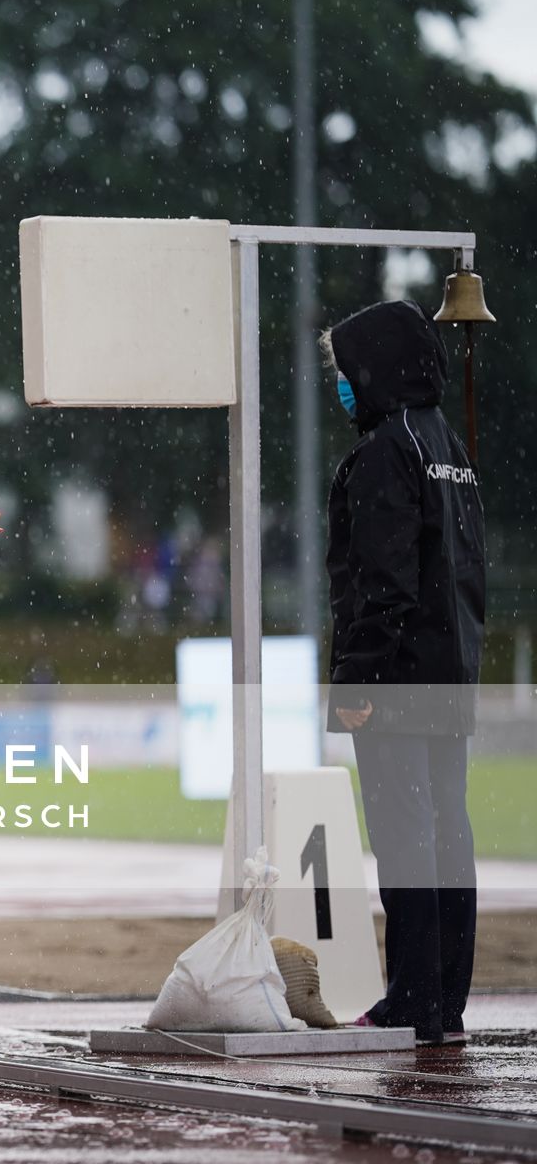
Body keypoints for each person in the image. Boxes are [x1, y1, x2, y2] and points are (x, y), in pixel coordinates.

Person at [322, 299, 484, 1047]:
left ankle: (411, 998)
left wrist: (355, 684)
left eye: (346, 371)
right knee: (450, 835)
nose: (342, 385)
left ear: (374, 370)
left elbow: (381, 581)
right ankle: (444, 1001)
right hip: (451, 676)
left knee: (405, 840)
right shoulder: (450, 445)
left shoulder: (388, 450)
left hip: (395, 681)